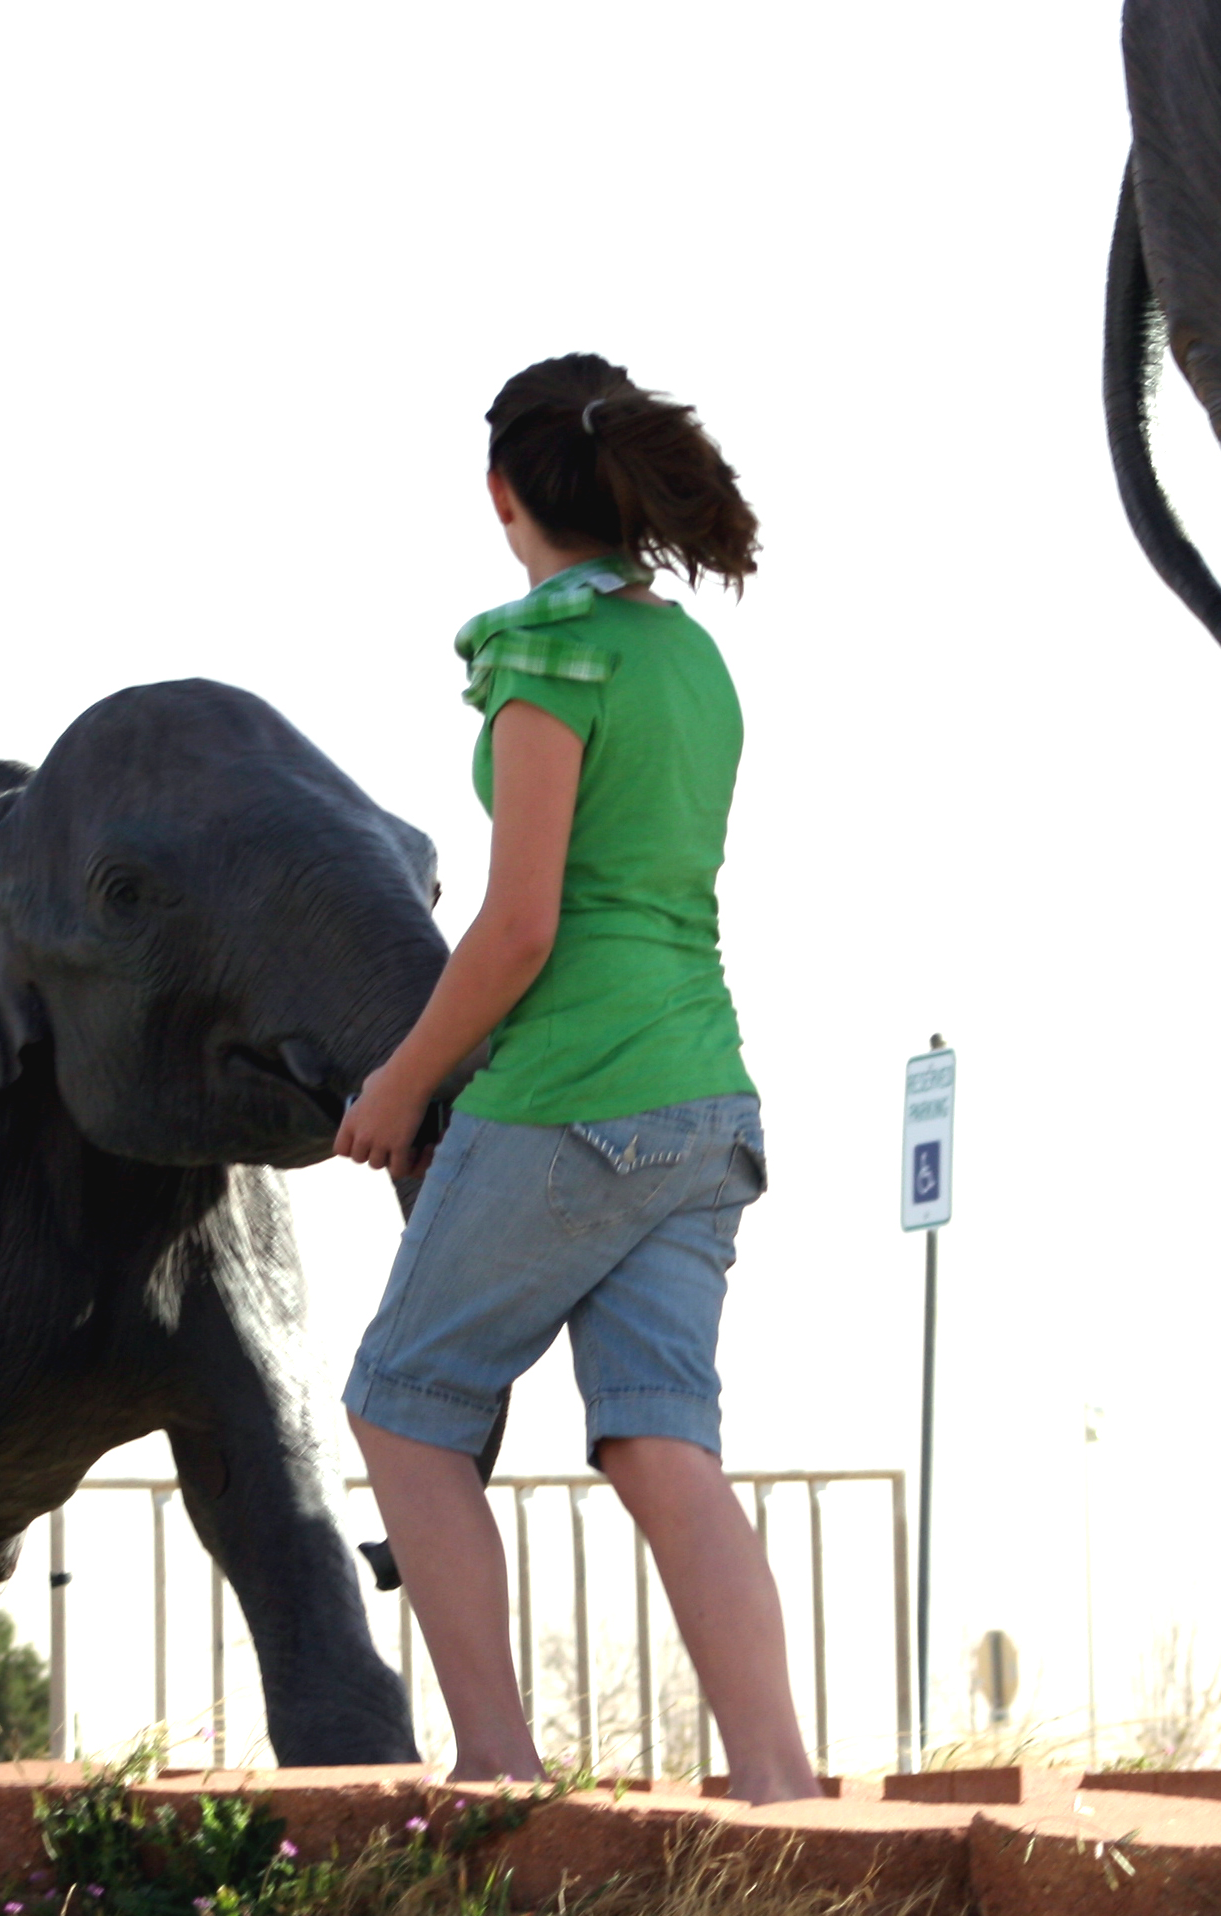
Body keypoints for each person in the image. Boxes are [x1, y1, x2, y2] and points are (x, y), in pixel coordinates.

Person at [330, 353, 814, 1803]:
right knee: (661, 1439)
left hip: (570, 1096)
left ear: (504, 494)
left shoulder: (549, 653)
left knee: (403, 1403)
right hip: (705, 1098)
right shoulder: (690, 659)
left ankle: (495, 1764)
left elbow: (521, 926)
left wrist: (401, 1085)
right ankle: (779, 1781)